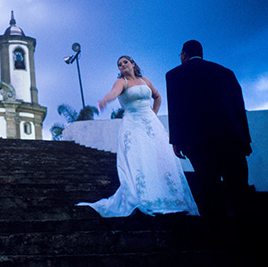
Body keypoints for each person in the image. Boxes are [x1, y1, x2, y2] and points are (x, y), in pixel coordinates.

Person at [77, 56, 199, 217]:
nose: (122, 66)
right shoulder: (122, 82)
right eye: (119, 65)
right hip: (133, 124)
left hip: (151, 123)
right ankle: (146, 198)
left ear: (133, 64)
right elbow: (114, 93)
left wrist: (153, 113)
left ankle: (171, 199)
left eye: (125, 62)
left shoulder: (145, 80)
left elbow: (157, 96)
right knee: (140, 159)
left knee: (160, 158)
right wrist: (105, 100)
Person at [166, 40, 252, 218]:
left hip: (198, 142)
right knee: (238, 188)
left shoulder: (174, 75)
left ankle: (217, 235)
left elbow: (175, 109)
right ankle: (247, 234)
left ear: (184, 54)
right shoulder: (226, 72)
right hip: (231, 139)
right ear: (201, 53)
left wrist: (175, 140)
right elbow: (238, 107)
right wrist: (245, 139)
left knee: (209, 188)